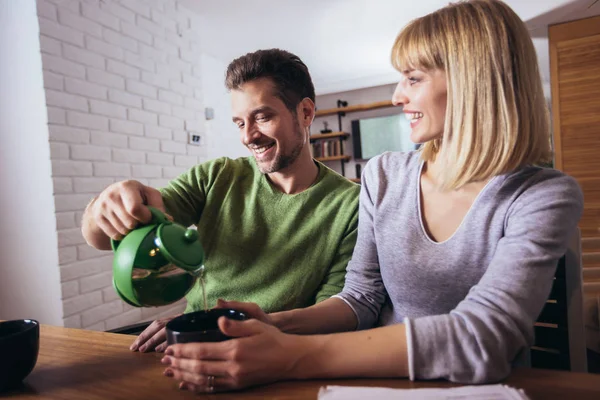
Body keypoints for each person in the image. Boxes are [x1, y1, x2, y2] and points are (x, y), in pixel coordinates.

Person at [159, 0, 584, 393]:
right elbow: (361, 298)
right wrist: (273, 324)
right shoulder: (384, 175)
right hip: (375, 381)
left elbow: (483, 337)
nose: (398, 95)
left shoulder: (542, 195)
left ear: (475, 83)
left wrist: (291, 357)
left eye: (413, 79)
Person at [81, 49, 360, 353]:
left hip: (274, 354)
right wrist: (103, 208)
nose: (248, 137)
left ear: (305, 113)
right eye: (240, 123)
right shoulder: (216, 176)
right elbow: (99, 236)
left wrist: (229, 325)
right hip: (189, 343)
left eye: (262, 117)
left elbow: (335, 311)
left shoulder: (351, 205)